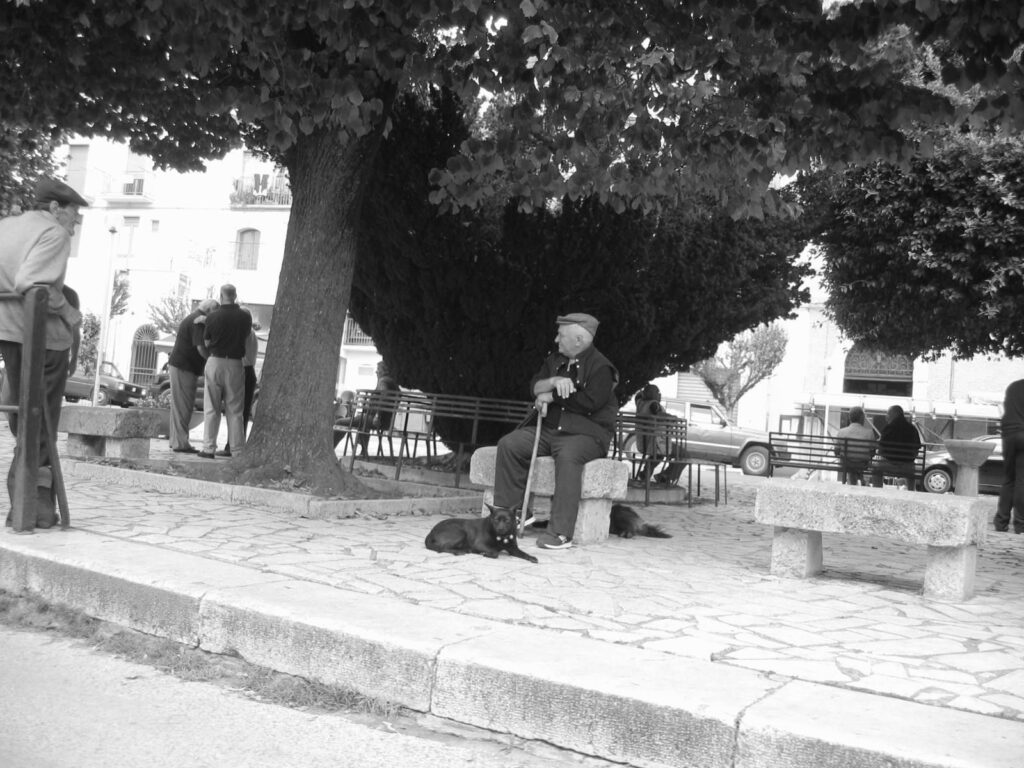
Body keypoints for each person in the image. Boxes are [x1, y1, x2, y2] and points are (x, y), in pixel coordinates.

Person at [0, 178, 86, 528]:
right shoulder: (55, 233)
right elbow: (32, 283)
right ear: (54, 208)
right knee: (39, 423)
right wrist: (69, 312)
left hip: (8, 331)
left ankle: (26, 504)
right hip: (41, 338)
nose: (76, 221)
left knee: (25, 419)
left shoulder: (7, 226)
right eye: (73, 212)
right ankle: (31, 508)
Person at [493, 313, 618, 550]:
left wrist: (551, 397)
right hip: (550, 430)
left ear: (579, 340)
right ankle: (511, 516)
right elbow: (534, 386)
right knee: (510, 444)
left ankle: (560, 532)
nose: (556, 340)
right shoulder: (555, 359)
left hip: (585, 435)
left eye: (561, 335)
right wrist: (553, 382)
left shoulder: (601, 367)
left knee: (568, 456)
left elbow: (589, 403)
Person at [198, 284, 252, 459]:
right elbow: (245, 336)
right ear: (235, 296)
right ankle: (237, 450)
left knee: (211, 407)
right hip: (236, 363)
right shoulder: (245, 317)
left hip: (215, 361)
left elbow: (206, 342)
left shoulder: (213, 317)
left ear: (221, 296)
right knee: (235, 409)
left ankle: (208, 448)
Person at [166, 298, 219, 453]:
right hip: (185, 367)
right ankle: (181, 444)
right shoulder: (198, 322)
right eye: (215, 313)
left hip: (179, 365)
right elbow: (201, 348)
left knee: (178, 405)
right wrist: (212, 360)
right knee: (185, 405)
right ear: (210, 310)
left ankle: (175, 440)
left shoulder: (192, 317)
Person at [219, 309, 259, 457]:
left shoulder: (243, 332)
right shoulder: (251, 333)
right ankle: (236, 445)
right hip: (248, 371)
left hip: (242, 370)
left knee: (235, 410)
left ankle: (232, 446)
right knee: (242, 411)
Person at [633, 383, 685, 486]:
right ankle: (665, 476)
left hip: (645, 443)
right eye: (657, 392)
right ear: (651, 394)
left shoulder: (640, 403)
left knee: (659, 453)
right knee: (684, 455)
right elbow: (656, 410)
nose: (659, 394)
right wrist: (671, 417)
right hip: (656, 443)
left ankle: (645, 473)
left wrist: (644, 392)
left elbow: (638, 396)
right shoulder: (653, 404)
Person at [995, 379, 1024, 533]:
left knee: (1009, 479)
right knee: (1022, 481)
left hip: (1009, 434)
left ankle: (1001, 522)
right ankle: (1020, 524)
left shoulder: (1013, 386)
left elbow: (1007, 408)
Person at [355, 360, 400, 458]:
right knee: (362, 420)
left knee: (340, 422)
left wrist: (377, 416)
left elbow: (384, 397)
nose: (376, 372)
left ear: (384, 371)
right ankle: (363, 450)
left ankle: (330, 449)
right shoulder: (393, 383)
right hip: (386, 421)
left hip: (376, 420)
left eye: (378, 369)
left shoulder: (383, 381)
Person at [870, 405, 922, 490]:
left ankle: (877, 491)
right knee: (911, 471)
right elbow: (916, 451)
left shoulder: (888, 428)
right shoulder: (912, 429)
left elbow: (880, 450)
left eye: (888, 414)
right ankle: (911, 491)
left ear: (894, 414)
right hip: (907, 466)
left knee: (876, 469)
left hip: (889, 465)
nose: (886, 416)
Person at [834, 406, 876, 486]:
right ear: (861, 418)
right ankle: (860, 480)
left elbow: (836, 451)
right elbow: (872, 453)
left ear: (850, 418)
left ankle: (853, 483)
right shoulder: (870, 433)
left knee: (849, 463)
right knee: (857, 464)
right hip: (863, 464)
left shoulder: (841, 432)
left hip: (846, 463)